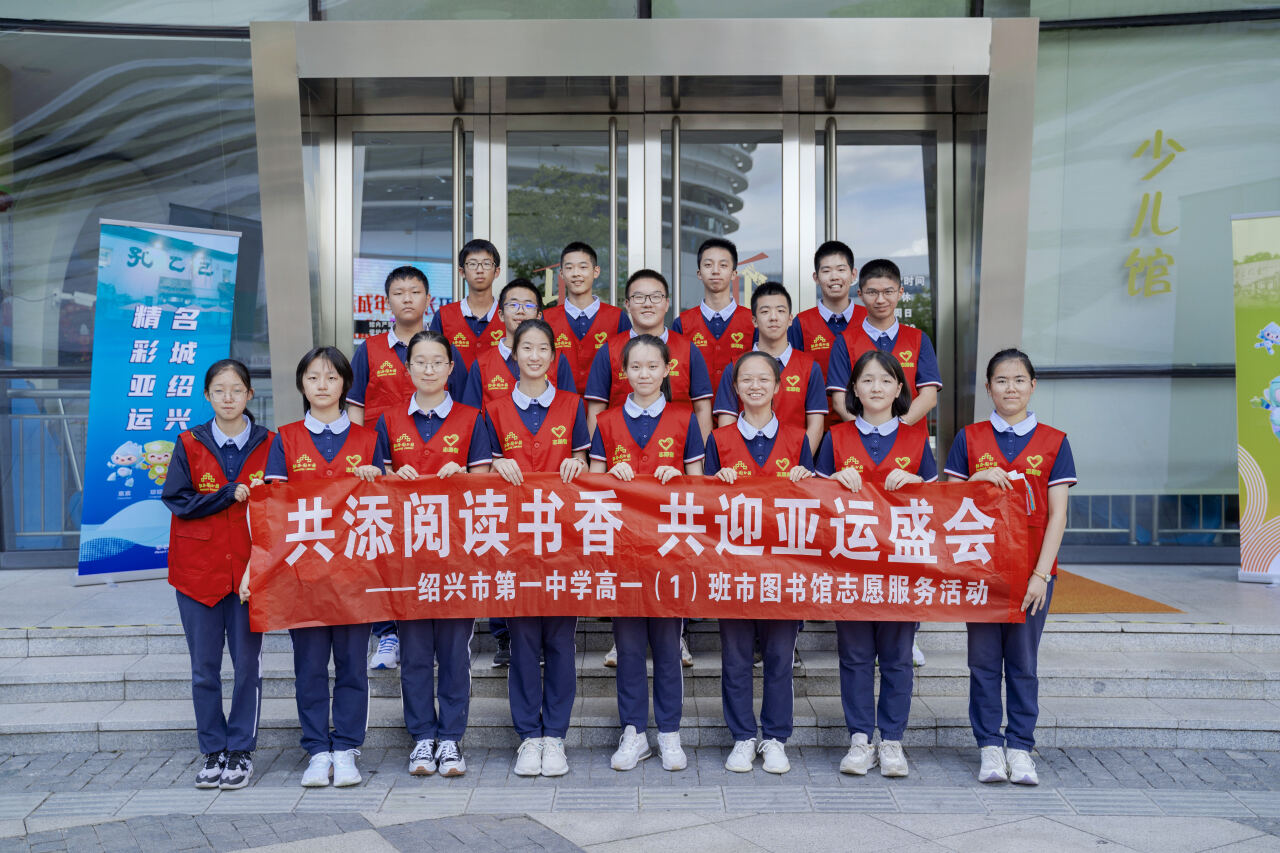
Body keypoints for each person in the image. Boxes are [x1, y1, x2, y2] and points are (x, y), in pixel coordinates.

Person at [944, 348, 1076, 786]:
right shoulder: (969, 439)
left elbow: (1058, 515)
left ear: (1033, 386)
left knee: (1022, 662)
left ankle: (1020, 747)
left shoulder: (1054, 441)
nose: (1011, 388)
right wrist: (976, 479)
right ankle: (988, 746)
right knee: (983, 663)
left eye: (1019, 380)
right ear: (988, 388)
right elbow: (948, 503)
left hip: (1032, 575)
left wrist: (1041, 575)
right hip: (981, 572)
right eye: (1001, 380)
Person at [256, 347, 386, 788]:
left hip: (355, 575)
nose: (323, 385)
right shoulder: (285, 439)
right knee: (309, 667)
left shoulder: (368, 440)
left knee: (352, 666)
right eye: (313, 378)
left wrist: (375, 481)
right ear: (302, 385)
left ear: (345, 384)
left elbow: (385, 507)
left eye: (331, 378)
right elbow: (275, 511)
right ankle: (316, 749)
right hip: (303, 576)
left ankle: (346, 748)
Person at [374, 330, 493, 778]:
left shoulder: (471, 418)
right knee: (416, 653)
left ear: (450, 368)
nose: (428, 369)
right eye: (420, 362)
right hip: (408, 556)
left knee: (455, 653)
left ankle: (451, 738)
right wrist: (390, 478)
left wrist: (463, 475)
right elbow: (377, 486)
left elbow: (484, 485)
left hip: (457, 554)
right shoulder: (388, 421)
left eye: (437, 361)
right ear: (407, 369)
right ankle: (423, 737)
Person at [815, 350, 937, 779]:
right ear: (854, 388)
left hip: (901, 570)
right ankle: (860, 739)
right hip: (850, 568)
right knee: (854, 657)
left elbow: (938, 507)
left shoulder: (917, 440)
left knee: (898, 657)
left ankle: (892, 740)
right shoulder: (836, 438)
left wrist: (919, 483)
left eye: (886, 380)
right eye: (867, 380)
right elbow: (813, 502)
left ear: (900, 388)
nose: (876, 388)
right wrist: (832, 480)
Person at [589, 334, 705, 773]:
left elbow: (699, 485)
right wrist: (610, 477)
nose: (643, 374)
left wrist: (679, 478)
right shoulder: (606, 422)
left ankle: (670, 732)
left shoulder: (684, 419)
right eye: (635, 367)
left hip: (670, 552)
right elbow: (593, 486)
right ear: (623, 372)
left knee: (668, 647)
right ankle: (634, 731)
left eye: (652, 366)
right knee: (629, 647)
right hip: (623, 551)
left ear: (667, 370)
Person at [347, 265, 467, 672]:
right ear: (387, 301)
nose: (407, 298)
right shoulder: (369, 350)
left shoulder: (442, 349)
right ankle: (387, 633)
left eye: (415, 291)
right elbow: (356, 407)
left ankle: (436, 621)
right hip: (386, 467)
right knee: (386, 548)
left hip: (437, 468)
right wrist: (362, 458)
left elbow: (462, 407)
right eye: (399, 292)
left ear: (428, 299)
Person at [486, 318, 591, 778]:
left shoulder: (572, 404)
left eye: (542, 348)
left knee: (560, 642)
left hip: (563, 539)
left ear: (553, 355)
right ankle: (529, 736)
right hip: (513, 541)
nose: (534, 356)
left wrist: (578, 462)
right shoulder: (494, 409)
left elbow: (584, 459)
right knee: (524, 640)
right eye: (525, 348)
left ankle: (556, 737)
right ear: (513, 354)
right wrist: (497, 464)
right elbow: (483, 467)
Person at [162, 359, 273, 791]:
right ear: (207, 395)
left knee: (247, 667)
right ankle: (213, 750)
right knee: (204, 669)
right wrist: (226, 495)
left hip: (250, 575)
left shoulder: (270, 443)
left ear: (249, 394)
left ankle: (241, 749)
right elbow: (178, 500)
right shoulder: (189, 443)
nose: (229, 398)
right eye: (220, 390)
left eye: (237, 389)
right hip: (198, 574)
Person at [703, 351, 814, 775]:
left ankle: (776, 737)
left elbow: (816, 507)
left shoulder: (798, 439)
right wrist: (716, 484)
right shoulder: (719, 440)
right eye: (746, 379)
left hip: (784, 570)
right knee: (734, 658)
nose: (755, 386)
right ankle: (742, 737)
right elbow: (704, 507)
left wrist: (806, 481)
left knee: (780, 657)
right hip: (733, 570)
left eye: (763, 379)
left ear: (778, 386)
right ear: (735, 387)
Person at [584, 269, 713, 440]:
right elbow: (596, 410)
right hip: (620, 449)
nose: (647, 304)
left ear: (666, 304)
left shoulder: (688, 349)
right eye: (639, 297)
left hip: (678, 448)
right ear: (627, 304)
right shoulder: (609, 350)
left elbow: (702, 407)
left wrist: (702, 452)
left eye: (655, 297)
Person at [712, 280, 827, 455]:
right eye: (765, 311)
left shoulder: (810, 367)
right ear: (754, 320)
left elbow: (816, 426)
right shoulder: (735, 366)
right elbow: (726, 425)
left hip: (794, 465)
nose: (773, 317)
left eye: (781, 311)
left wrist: (798, 462)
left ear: (790, 319)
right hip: (743, 464)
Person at [826, 259, 941, 428]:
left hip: (910, 438)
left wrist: (894, 430)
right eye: (872, 292)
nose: (880, 300)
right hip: (859, 440)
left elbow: (929, 397)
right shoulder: (844, 341)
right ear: (860, 294)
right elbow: (839, 400)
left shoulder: (918, 339)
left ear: (900, 292)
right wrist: (867, 433)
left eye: (888, 292)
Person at [462, 278, 578, 413]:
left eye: (528, 306)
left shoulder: (556, 359)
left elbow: (570, 409)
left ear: (539, 316)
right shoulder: (482, 365)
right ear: (501, 315)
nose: (521, 311)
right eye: (513, 305)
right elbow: (471, 417)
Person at [542, 241, 631, 392]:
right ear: (561, 274)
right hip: (558, 403)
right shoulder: (546, 319)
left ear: (596, 271)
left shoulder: (618, 318)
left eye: (583, 267)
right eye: (569, 268)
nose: (576, 273)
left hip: (607, 403)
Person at [672, 237, 756, 390]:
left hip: (741, 404)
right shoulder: (682, 324)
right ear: (699, 273)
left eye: (723, 265)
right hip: (695, 405)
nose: (715, 271)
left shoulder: (753, 321)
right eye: (708, 265)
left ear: (734, 274)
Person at [788, 240, 866, 377]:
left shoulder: (869, 318)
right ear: (816, 277)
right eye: (826, 271)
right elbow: (792, 372)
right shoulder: (801, 323)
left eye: (841, 270)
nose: (834, 277)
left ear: (853, 274)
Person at [429, 239, 506, 368]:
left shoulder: (508, 315)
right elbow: (432, 360)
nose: (479, 270)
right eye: (472, 264)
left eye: (486, 264)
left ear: (496, 271)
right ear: (462, 272)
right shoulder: (443, 316)